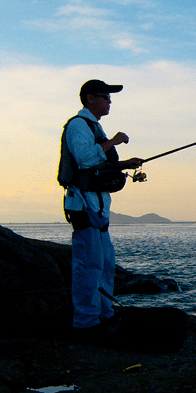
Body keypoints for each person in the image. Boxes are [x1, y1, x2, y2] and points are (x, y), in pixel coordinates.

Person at [61, 79, 143, 339]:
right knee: (89, 265)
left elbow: (99, 164)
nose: (109, 101)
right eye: (105, 97)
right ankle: (85, 324)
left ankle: (105, 314)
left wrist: (126, 164)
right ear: (89, 99)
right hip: (84, 207)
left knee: (106, 263)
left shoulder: (94, 127)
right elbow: (85, 159)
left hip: (98, 209)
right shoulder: (78, 125)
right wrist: (115, 141)